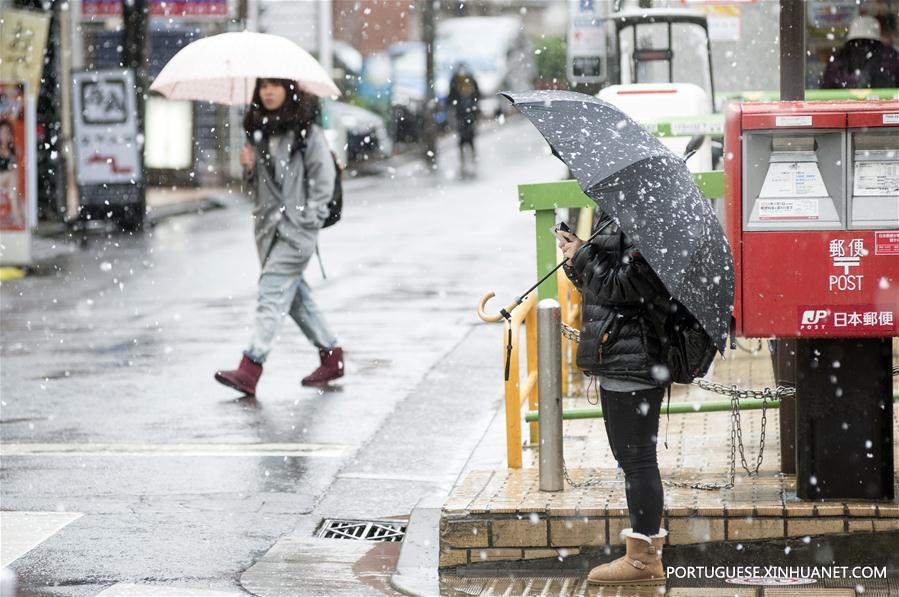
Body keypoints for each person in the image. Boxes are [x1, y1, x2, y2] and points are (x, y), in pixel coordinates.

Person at [558, 209, 671, 586]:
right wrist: (577, 258)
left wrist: (585, 255)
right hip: (617, 351)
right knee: (630, 457)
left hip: (634, 355)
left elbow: (631, 287)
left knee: (637, 459)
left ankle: (643, 561)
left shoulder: (645, 218)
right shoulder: (616, 213)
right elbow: (599, 287)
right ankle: (644, 553)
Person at [215, 78, 344, 395]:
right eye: (263, 87)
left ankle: (251, 366)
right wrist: (249, 169)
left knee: (271, 295)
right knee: (297, 299)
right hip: (268, 232)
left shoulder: (307, 134)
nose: (268, 92)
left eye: (275, 86)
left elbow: (323, 183)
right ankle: (332, 356)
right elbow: (258, 191)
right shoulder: (258, 135)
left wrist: (307, 222)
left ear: (289, 90)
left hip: (296, 234)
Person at [822, 15, 899, 89]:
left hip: (844, 101)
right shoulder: (890, 55)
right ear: (878, 34)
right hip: (884, 101)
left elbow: (826, 88)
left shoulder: (839, 56)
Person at [447, 64, 480, 176]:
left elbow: (450, 99)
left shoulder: (457, 82)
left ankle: (468, 158)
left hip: (466, 114)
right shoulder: (458, 83)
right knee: (466, 137)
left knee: (467, 137)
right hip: (464, 114)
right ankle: (468, 158)